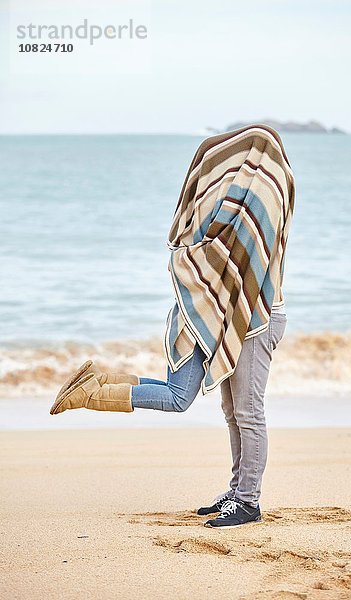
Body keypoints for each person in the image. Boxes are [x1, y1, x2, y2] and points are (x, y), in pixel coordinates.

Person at [50, 124, 295, 529]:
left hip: (256, 317)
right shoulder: (227, 200)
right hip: (219, 313)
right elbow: (207, 250)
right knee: (232, 411)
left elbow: (243, 254)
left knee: (247, 412)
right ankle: (237, 491)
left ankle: (249, 501)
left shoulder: (267, 194)